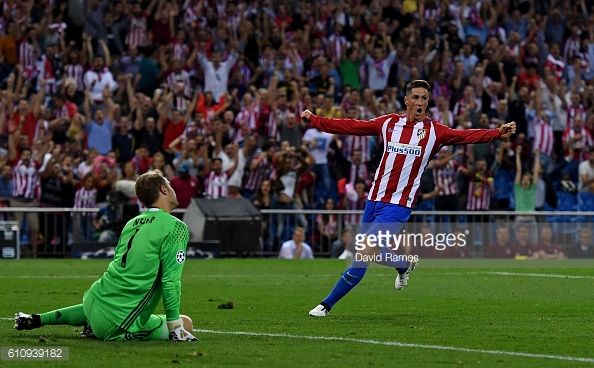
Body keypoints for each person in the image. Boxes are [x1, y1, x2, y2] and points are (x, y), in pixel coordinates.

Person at [301, 80, 516, 317]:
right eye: (416, 97)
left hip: (399, 205)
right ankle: (403, 264)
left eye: (424, 98)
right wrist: (314, 120)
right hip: (374, 199)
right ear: (406, 100)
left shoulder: (436, 131)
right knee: (370, 250)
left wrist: (496, 133)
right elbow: (351, 126)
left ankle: (326, 305)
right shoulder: (389, 123)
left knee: (363, 253)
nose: (420, 102)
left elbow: (465, 135)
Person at [14, 171, 198, 342]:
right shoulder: (176, 227)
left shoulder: (131, 223)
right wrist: (176, 328)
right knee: (186, 323)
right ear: (164, 190)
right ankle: (101, 327)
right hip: (117, 322)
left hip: (94, 299)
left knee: (99, 307)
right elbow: (170, 281)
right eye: (170, 187)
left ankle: (37, 319)